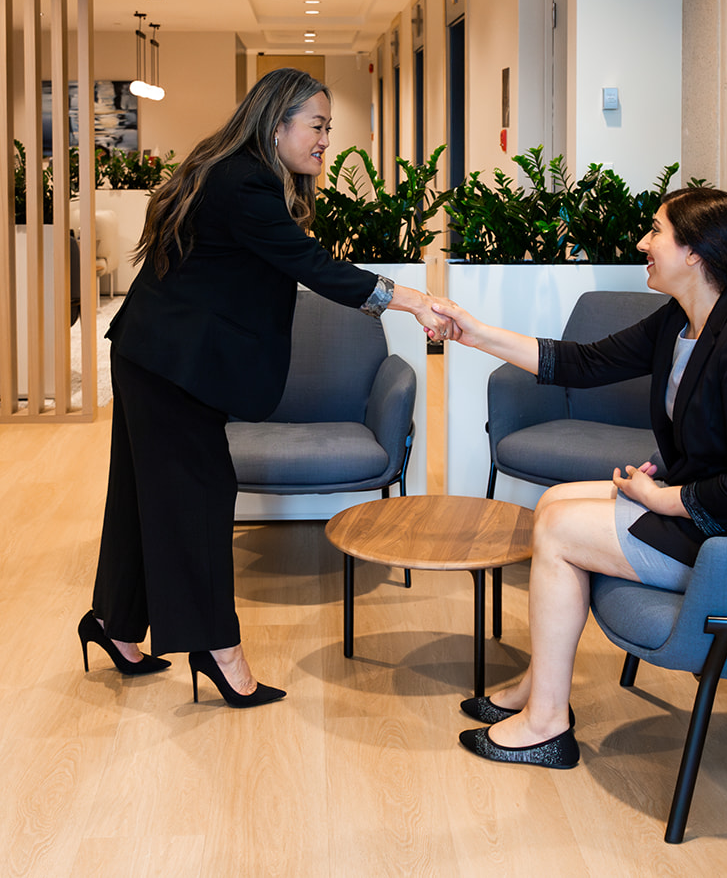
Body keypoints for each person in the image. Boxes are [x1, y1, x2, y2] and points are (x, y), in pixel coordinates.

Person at [430, 186, 727, 768]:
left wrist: (662, 499)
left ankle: (546, 726)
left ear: (696, 253)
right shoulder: (683, 321)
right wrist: (472, 331)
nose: (642, 243)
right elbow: (583, 362)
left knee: (558, 533)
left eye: (656, 230)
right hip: (718, 514)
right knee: (555, 502)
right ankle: (540, 688)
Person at [81, 67, 454, 708]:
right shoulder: (245, 181)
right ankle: (218, 650)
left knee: (144, 492)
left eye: (328, 129)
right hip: (169, 361)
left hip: (156, 352)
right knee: (199, 497)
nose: (325, 141)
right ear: (277, 124)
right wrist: (414, 299)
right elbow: (310, 264)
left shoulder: (233, 170)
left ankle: (114, 626)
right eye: (317, 126)